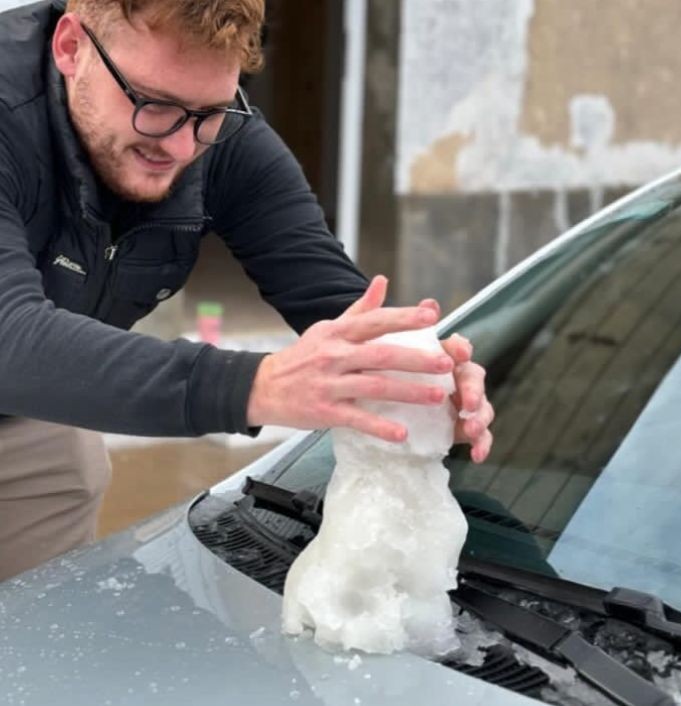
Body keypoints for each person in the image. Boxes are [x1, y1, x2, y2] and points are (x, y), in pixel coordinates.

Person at [0, 0, 494, 580]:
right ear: (70, 47)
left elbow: (333, 298)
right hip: (20, 363)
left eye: (207, 113)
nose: (181, 148)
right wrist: (252, 385)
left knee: (38, 627)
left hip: (28, 420)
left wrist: (420, 379)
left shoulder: (222, 140)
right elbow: (10, 340)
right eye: (152, 104)